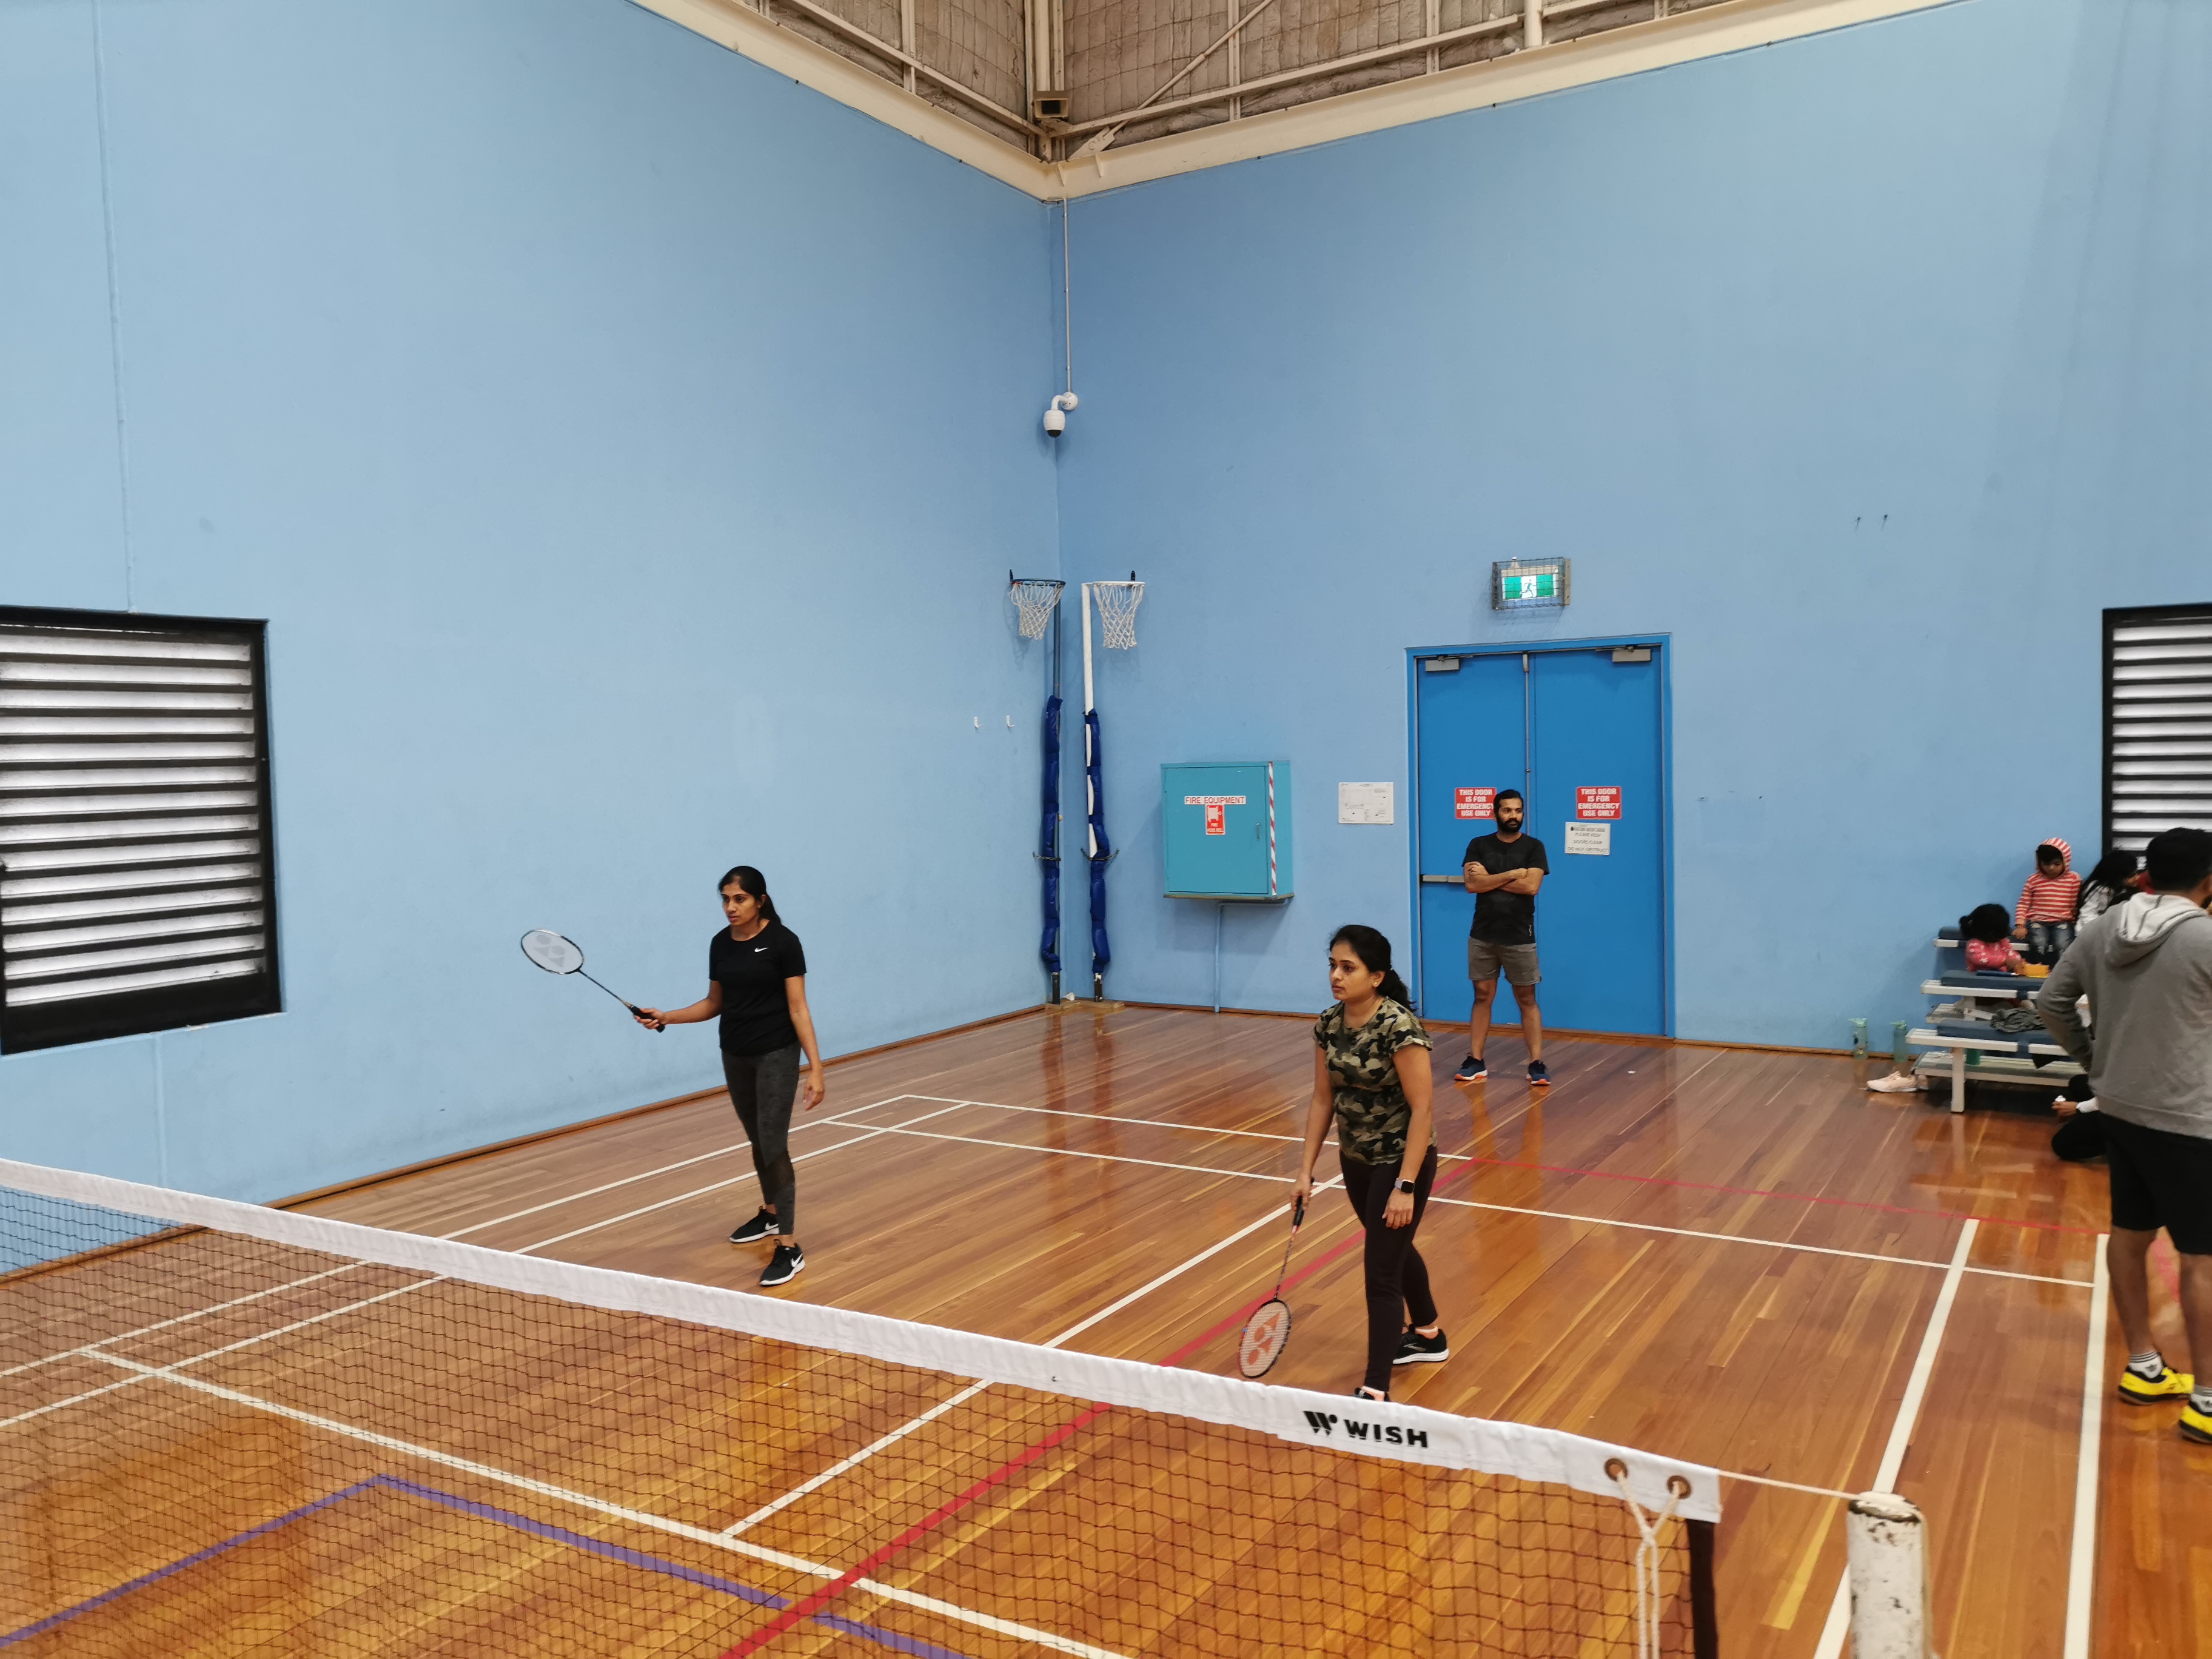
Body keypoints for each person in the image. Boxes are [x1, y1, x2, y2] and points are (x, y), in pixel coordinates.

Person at [2037, 826, 2212, 1444]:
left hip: (2119, 1110)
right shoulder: (2205, 938)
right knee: (2202, 1257)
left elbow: (2051, 1001)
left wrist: (2096, 1064)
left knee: (2131, 1236)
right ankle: (2208, 1400)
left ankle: (2144, 1367)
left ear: (2147, 876)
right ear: (2209, 881)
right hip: (2191, 1119)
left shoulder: (2106, 925)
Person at [636, 866, 825, 1287]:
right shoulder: (720, 943)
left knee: (773, 1143)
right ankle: (770, 1214)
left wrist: (816, 1068)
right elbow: (713, 1003)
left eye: (739, 899)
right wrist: (666, 1016)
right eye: (725, 899)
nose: (730, 907)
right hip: (735, 1054)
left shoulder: (784, 942)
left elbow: (798, 1008)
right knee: (757, 1138)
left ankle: (789, 1246)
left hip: (776, 1054)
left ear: (760, 901)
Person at [1293, 925, 1444, 1403]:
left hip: (1401, 1159)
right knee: (1392, 1249)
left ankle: (1376, 1389)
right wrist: (1305, 1170)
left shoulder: (1399, 1027)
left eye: (1348, 967)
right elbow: (1322, 1099)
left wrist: (1406, 1185)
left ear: (1376, 976)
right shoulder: (1328, 1024)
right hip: (1355, 1157)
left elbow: (1423, 1108)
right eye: (1333, 966)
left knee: (1380, 1271)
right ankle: (1429, 1334)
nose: (1336, 976)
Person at [1455, 788, 1550, 1085]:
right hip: (1482, 935)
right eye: (1507, 810)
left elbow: (1531, 887)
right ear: (1495, 813)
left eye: (1518, 811)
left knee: (1527, 999)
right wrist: (1512, 874)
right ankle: (1476, 1060)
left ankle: (1536, 1063)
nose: (1513, 816)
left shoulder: (1534, 847)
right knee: (1482, 996)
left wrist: (1490, 878)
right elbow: (1472, 885)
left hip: (1520, 937)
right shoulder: (1478, 845)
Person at [2014, 837, 2081, 965]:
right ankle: (2037, 970)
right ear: (2039, 863)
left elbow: (2075, 904)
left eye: (2057, 864)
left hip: (2063, 921)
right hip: (2038, 921)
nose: (2051, 868)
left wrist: (2075, 923)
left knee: (2063, 945)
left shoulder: (2074, 879)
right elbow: (2023, 903)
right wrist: (2020, 926)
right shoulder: (2034, 880)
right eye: (2046, 864)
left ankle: (2062, 972)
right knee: (2039, 943)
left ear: (2066, 861)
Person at [2077, 848, 2145, 923]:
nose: (2137, 877)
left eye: (2136, 873)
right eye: (2131, 876)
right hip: (2093, 926)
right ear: (2117, 877)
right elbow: (2087, 915)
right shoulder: (2098, 889)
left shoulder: (2129, 889)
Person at [1959, 904, 2025, 974]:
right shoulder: (1974, 944)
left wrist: (2017, 961)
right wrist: (2004, 961)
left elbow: (2011, 953)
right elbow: (1980, 959)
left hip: (2002, 977)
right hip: (1980, 978)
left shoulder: (2002, 942)